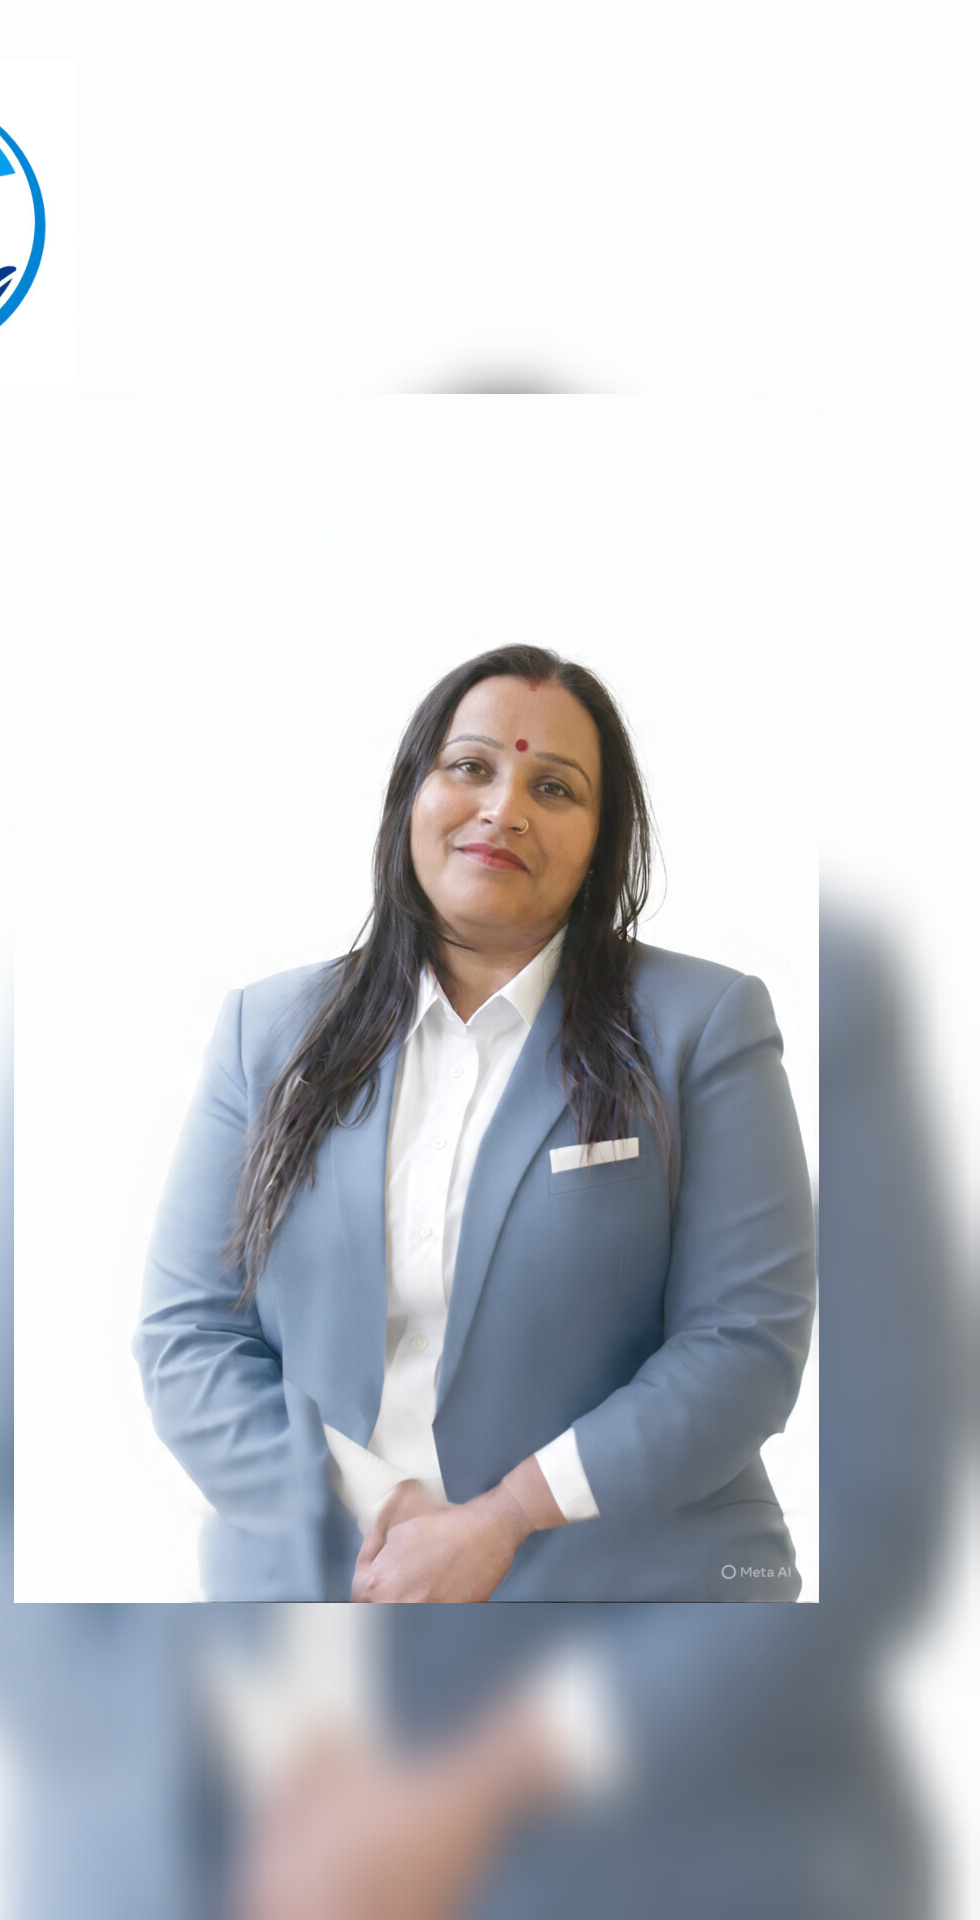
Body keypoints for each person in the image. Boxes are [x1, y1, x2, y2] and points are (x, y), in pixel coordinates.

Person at [134, 645, 816, 1601]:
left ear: (601, 841)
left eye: (554, 787)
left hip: (632, 1592)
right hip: (330, 1580)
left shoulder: (703, 1026)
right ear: (410, 796)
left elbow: (744, 1345)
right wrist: (387, 1515)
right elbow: (188, 1337)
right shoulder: (268, 1032)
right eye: (470, 767)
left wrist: (504, 1519)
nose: (504, 809)